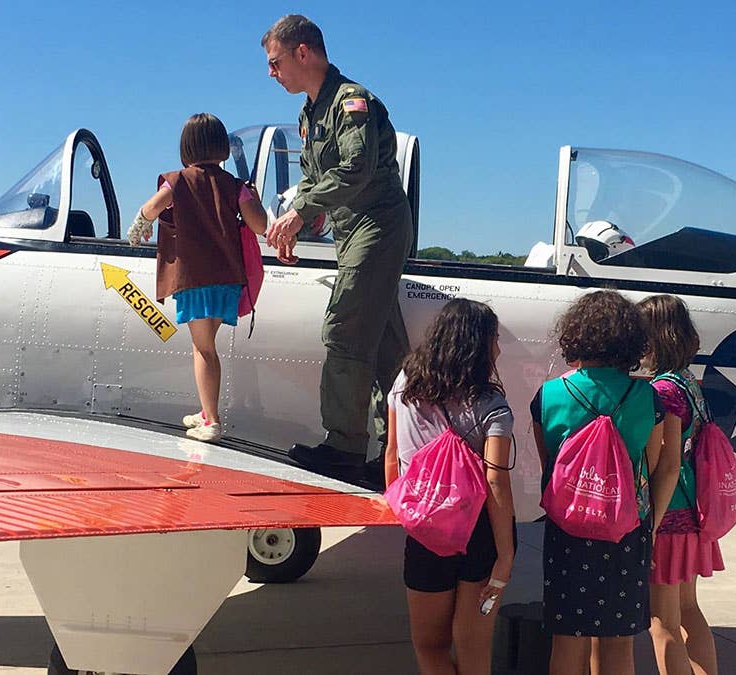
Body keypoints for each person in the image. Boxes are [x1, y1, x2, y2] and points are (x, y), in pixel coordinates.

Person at [260, 14, 413, 484]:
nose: (272, 73)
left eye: (275, 61)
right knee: (385, 347)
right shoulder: (310, 113)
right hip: (351, 232)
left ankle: (345, 448)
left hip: (377, 226)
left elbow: (355, 170)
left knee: (345, 329)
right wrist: (297, 225)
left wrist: (301, 212)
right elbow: (315, 179)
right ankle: (402, 454)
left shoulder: (352, 103)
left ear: (302, 52)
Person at [530, 290, 674, 675]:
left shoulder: (549, 394)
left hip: (568, 528)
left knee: (567, 640)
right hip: (627, 529)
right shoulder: (647, 396)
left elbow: (551, 465)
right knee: (618, 643)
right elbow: (652, 464)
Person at [383, 298, 516, 675]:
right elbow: (495, 480)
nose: (499, 348)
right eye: (495, 339)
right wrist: (505, 557)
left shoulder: (403, 383)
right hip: (480, 535)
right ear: (478, 345)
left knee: (430, 646)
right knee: (474, 650)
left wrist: (404, 516)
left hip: (426, 531)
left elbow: (392, 454)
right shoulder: (492, 404)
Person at [128, 113, 268, 443]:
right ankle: (206, 411)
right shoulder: (236, 187)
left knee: (203, 349)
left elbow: (151, 208)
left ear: (186, 147)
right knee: (208, 344)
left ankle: (213, 422)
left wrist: (139, 227)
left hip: (195, 279)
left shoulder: (177, 181)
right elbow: (260, 226)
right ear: (221, 146)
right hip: (228, 279)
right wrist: (256, 198)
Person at [638, 294, 722, 675]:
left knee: (662, 623)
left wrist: (650, 527)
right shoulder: (689, 382)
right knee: (689, 612)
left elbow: (667, 465)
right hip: (694, 512)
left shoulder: (663, 391)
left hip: (668, 516)